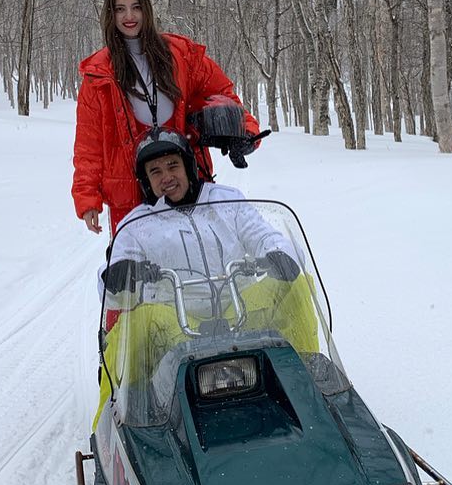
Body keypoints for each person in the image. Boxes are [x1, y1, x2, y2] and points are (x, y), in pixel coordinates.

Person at [92, 127, 316, 430]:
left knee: (296, 288)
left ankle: (308, 382)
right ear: (146, 180)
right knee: (134, 324)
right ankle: (125, 416)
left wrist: (279, 254)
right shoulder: (137, 224)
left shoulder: (227, 202)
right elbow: (112, 289)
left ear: (189, 165)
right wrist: (118, 276)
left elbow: (264, 235)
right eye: (155, 171)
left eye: (173, 165)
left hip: (239, 312)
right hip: (176, 324)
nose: (166, 177)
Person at [72, 0, 261, 236]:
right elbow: (88, 146)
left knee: (197, 256)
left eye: (136, 7)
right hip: (130, 193)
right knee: (140, 268)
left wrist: (245, 132)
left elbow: (222, 93)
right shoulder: (98, 74)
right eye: (120, 9)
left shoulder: (180, 54)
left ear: (146, 9)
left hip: (185, 182)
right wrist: (87, 198)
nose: (129, 15)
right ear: (110, 14)